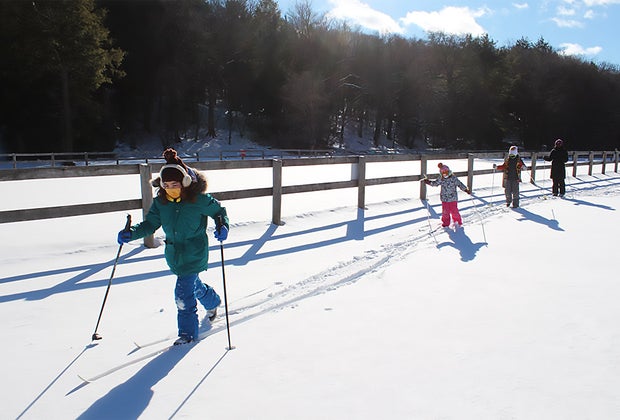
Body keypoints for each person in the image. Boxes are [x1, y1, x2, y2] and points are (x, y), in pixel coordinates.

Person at [117, 148, 229, 345]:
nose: (170, 188)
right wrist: (132, 233)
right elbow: (150, 224)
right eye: (166, 185)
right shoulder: (161, 203)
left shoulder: (199, 200)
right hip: (174, 254)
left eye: (175, 184)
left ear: (185, 182)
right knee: (193, 284)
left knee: (183, 295)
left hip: (195, 252)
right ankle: (212, 301)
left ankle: (187, 335)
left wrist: (223, 225)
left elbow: (219, 211)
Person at [423, 163, 471, 228]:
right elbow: (435, 183)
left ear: (449, 171)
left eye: (446, 172)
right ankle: (445, 223)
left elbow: (460, 184)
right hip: (444, 199)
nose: (445, 173)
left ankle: (457, 221)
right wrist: (428, 182)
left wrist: (466, 190)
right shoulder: (441, 178)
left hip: (453, 199)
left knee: (454, 211)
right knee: (445, 212)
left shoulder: (453, 178)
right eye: (443, 172)